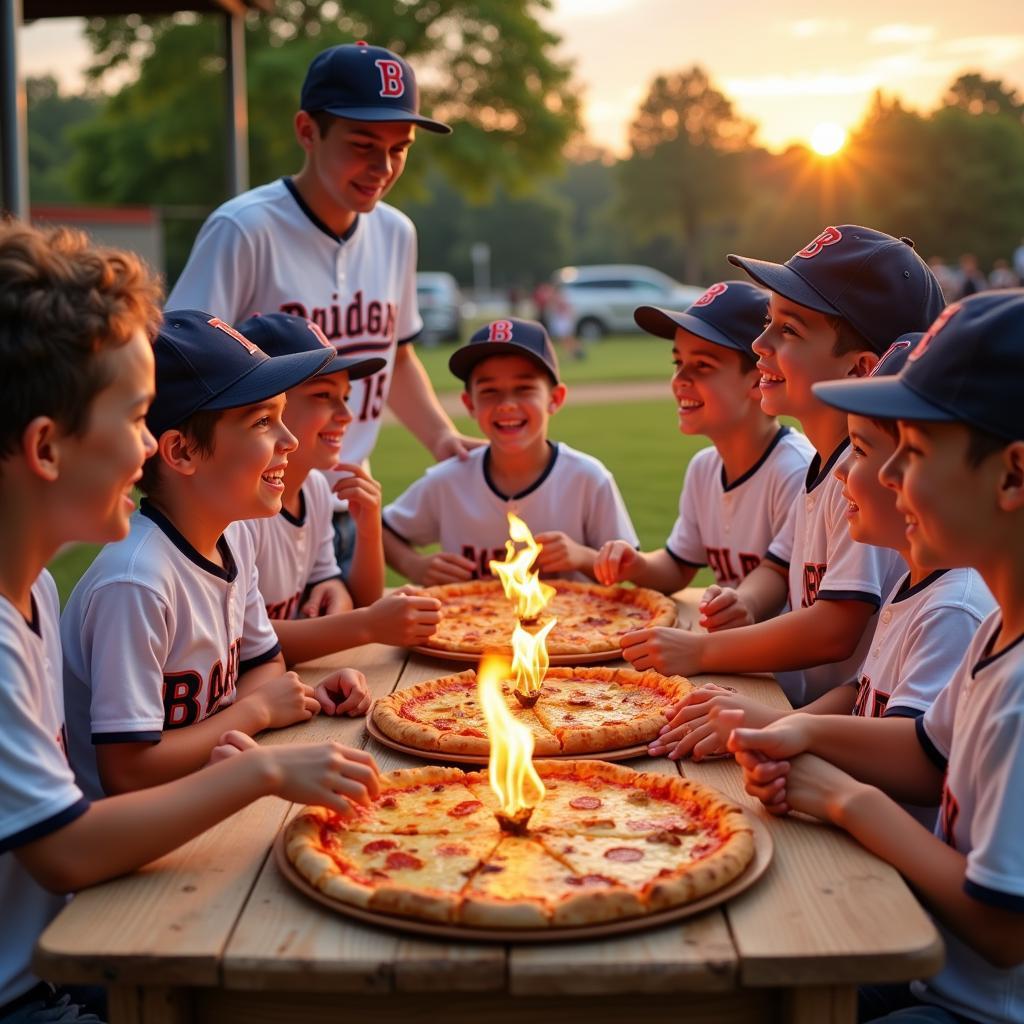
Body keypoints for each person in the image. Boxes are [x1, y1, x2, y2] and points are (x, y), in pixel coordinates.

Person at [0, 223, 378, 1024]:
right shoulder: (72, 602)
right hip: (39, 991)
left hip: (71, 939)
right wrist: (257, 769)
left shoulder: (35, 597)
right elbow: (64, 846)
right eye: (136, 417)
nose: (143, 446)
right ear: (45, 448)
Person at [721, 290, 1024, 1024]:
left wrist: (846, 800)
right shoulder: (1001, 631)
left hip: (971, 1006)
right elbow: (926, 751)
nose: (887, 477)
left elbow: (1002, 930)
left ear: (1013, 475)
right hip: (930, 961)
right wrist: (806, 732)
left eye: (912, 454)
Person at [165, 41, 481, 574]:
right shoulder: (245, 229)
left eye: (399, 148)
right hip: (254, 510)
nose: (382, 165)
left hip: (347, 499)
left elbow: (394, 355)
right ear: (308, 132)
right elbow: (178, 364)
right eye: (362, 143)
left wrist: (440, 435)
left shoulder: (396, 232)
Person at [619, 226, 945, 711]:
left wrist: (703, 650)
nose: (759, 344)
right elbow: (779, 571)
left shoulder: (868, 480)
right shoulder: (826, 463)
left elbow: (835, 629)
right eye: (767, 321)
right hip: (811, 716)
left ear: (861, 370)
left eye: (787, 329)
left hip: (848, 743)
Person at [61, 311, 372, 802]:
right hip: (126, 854)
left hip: (205, 794)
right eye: (263, 421)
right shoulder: (136, 582)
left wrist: (292, 697)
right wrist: (256, 712)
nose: (289, 441)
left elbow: (267, 666)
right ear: (181, 452)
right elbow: (128, 771)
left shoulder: (237, 535)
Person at [656, 336, 994, 784]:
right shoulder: (915, 581)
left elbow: (920, 766)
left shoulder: (954, 608)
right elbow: (859, 691)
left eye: (866, 450)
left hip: (874, 843)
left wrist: (792, 738)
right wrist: (782, 729)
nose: (842, 470)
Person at [594, 280, 813, 627]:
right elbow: (678, 566)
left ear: (759, 379)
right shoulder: (704, 468)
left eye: (703, 366)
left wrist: (743, 602)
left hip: (782, 671)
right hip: (736, 651)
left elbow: (779, 582)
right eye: (678, 362)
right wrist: (636, 565)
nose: (680, 379)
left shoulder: (795, 470)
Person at [236, 313, 441, 664]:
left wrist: (367, 529)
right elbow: (240, 642)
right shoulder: (239, 509)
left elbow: (357, 597)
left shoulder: (314, 488)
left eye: (345, 396)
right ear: (269, 406)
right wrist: (366, 625)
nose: (346, 414)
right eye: (323, 395)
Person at [382, 318, 638, 583]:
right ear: (470, 404)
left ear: (555, 398)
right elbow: (382, 530)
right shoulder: (448, 480)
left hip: (579, 621)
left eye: (524, 389)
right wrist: (413, 565)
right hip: (470, 621)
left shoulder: (587, 478)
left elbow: (627, 567)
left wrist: (584, 557)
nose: (506, 404)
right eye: (489, 391)